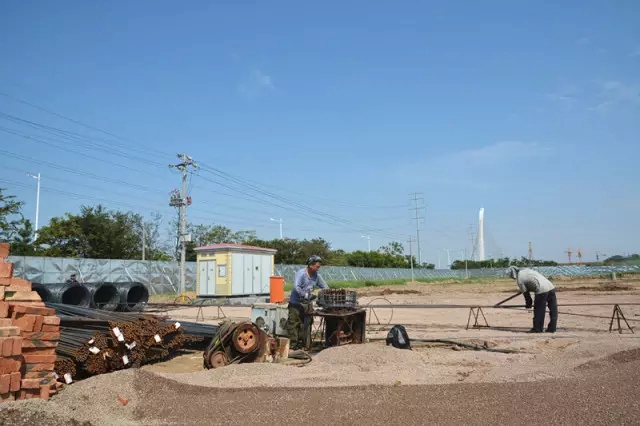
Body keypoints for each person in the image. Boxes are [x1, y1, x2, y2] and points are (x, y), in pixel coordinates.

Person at [286, 255, 329, 349]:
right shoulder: (301, 274)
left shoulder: (317, 276)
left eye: (319, 267)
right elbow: (296, 287)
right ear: (311, 265)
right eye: (317, 267)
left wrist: (325, 294)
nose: (318, 269)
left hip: (308, 304)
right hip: (296, 303)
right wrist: (304, 294)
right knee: (293, 324)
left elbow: (325, 287)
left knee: (306, 324)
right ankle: (293, 346)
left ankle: (305, 344)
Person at [506, 266, 558, 333]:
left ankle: (537, 329)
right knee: (553, 309)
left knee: (539, 310)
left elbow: (527, 296)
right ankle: (552, 328)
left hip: (541, 290)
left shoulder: (520, 280)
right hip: (551, 287)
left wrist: (528, 304)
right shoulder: (526, 270)